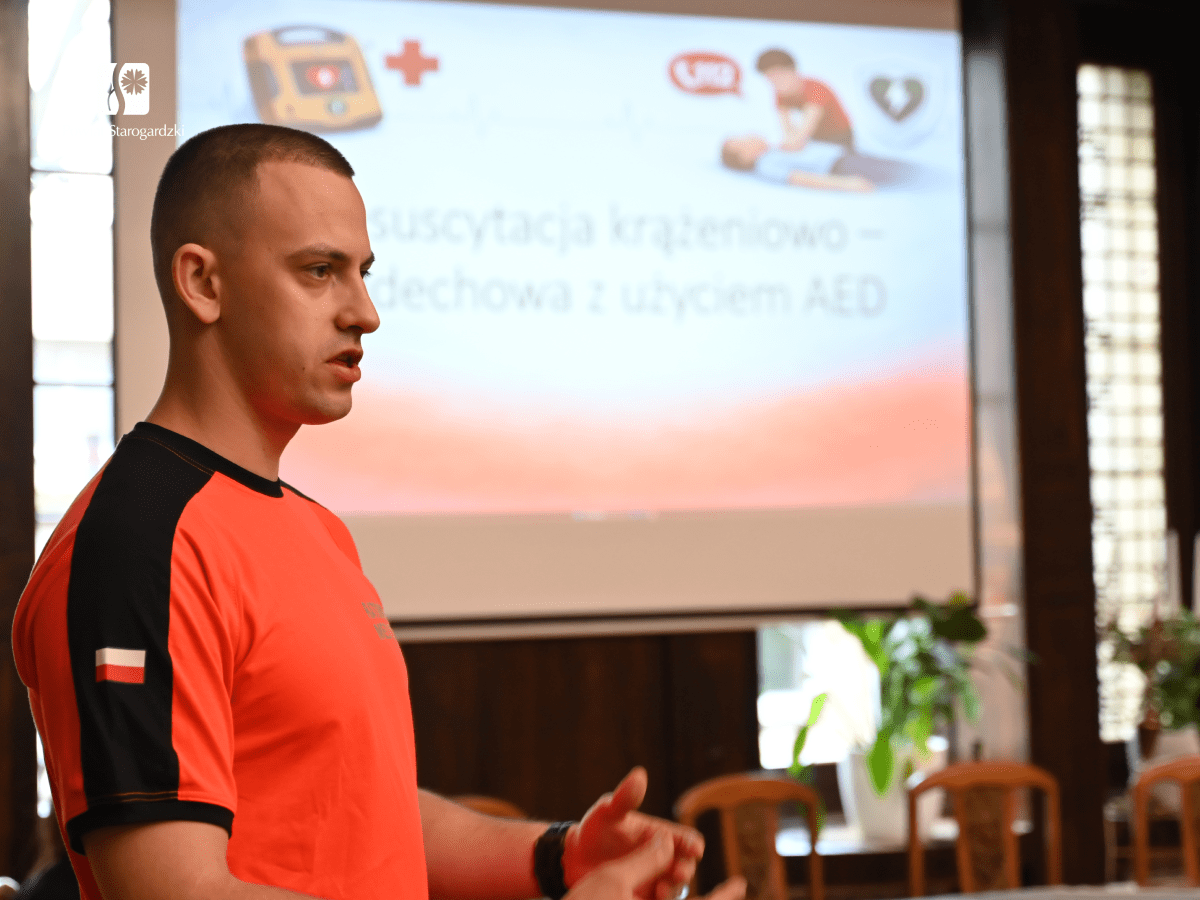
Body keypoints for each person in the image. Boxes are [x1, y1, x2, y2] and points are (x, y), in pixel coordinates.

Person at [12, 124, 747, 900]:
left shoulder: (315, 528)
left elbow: (366, 809)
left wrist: (559, 858)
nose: (365, 312)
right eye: (319, 271)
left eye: (362, 274)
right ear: (203, 283)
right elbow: (174, 893)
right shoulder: (137, 542)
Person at [754, 48, 853, 151]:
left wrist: (788, 143)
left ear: (792, 70)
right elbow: (787, 130)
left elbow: (805, 130)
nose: (775, 82)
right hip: (815, 139)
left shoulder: (816, 89)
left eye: (779, 75)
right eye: (770, 78)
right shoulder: (781, 94)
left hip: (840, 136)